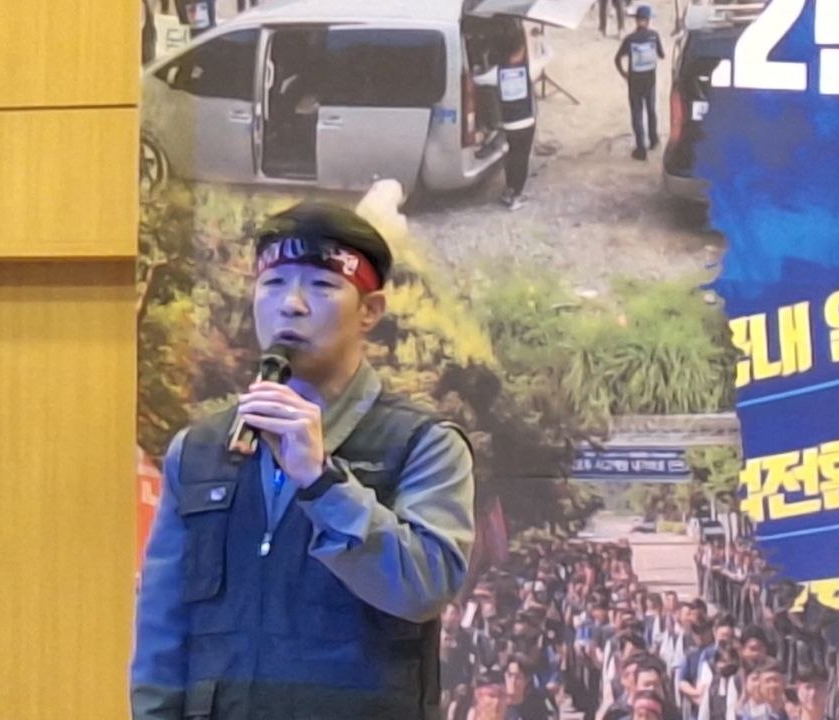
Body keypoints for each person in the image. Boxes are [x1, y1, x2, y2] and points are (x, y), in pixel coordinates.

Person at [130, 202, 477, 719]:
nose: (290, 304)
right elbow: (162, 626)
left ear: (369, 311)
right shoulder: (199, 449)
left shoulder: (423, 444)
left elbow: (424, 588)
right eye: (272, 284)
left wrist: (321, 482)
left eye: (320, 286)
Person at [474, 22, 537, 211]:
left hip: (509, 123)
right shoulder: (529, 70)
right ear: (520, 50)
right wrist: (530, 37)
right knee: (522, 159)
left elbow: (478, 80)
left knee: (512, 156)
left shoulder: (497, 72)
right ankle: (517, 194)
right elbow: (547, 54)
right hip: (526, 122)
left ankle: (509, 190)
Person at [614, 5, 665, 161]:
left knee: (637, 113)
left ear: (636, 20)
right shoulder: (654, 36)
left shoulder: (630, 39)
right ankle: (654, 140)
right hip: (650, 81)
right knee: (651, 110)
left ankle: (641, 149)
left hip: (634, 82)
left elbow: (617, 59)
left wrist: (624, 74)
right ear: (648, 20)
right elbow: (662, 55)